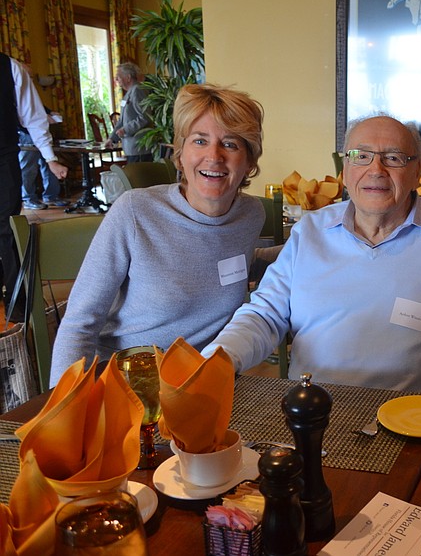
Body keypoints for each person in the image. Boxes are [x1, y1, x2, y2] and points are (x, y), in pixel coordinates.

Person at [202, 114, 421, 396]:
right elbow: (265, 314)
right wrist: (219, 358)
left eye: (393, 157)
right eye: (361, 156)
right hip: (314, 411)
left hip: (414, 420)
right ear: (344, 171)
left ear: (416, 172)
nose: (376, 169)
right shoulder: (311, 230)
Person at [50, 84, 265, 385]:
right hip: (129, 383)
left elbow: (226, 263)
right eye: (200, 141)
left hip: (202, 382)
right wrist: (67, 406)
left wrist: (303, 248)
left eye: (230, 144)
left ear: (249, 162)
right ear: (180, 154)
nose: (213, 156)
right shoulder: (136, 212)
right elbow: (80, 322)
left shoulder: (250, 216)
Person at [0, 52, 68, 322]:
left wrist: (50, 158)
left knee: (8, 229)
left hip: (4, 160)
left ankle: (19, 305)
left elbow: (33, 117)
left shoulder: (10, 68)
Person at [18, 108, 68, 209]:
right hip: (26, 133)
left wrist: (49, 112)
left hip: (42, 133)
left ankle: (51, 196)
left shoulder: (31, 94)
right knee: (28, 168)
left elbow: (36, 105)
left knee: (50, 166)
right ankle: (28, 199)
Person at [105, 62, 152, 162]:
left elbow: (145, 117)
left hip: (139, 149)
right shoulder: (128, 94)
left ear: (128, 77)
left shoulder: (137, 90)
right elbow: (121, 121)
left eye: (118, 76)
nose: (116, 79)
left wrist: (125, 129)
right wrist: (112, 138)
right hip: (131, 149)